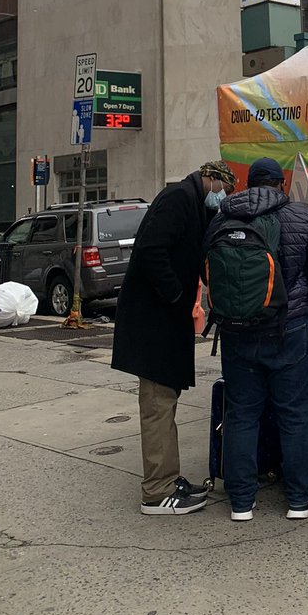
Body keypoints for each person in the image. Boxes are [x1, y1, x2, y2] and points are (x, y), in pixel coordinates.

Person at [204, 156, 308, 523]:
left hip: (235, 332)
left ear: (249, 183)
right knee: (295, 416)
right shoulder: (301, 215)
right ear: (280, 184)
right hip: (289, 329)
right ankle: (299, 500)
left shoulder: (222, 217)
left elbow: (207, 271)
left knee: (242, 415)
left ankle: (241, 503)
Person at [111, 160, 236, 515]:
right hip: (153, 321)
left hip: (163, 320)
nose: (223, 197)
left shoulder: (193, 204)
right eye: (224, 189)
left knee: (165, 399)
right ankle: (158, 490)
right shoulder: (178, 198)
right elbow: (151, 250)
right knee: (157, 404)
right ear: (211, 180)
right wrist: (177, 297)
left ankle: (169, 477)